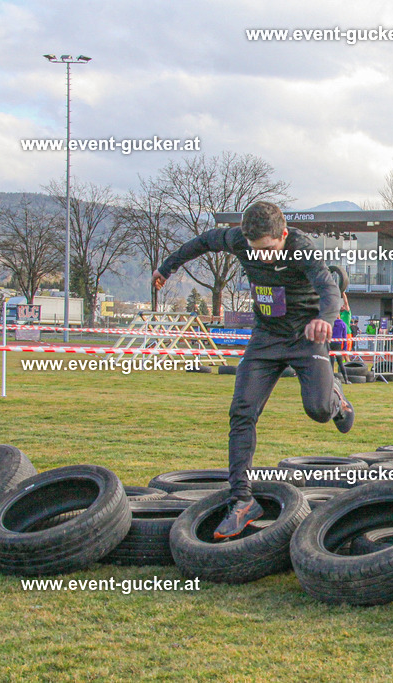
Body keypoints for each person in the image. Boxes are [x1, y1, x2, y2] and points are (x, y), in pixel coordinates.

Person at [152, 201, 354, 540]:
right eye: (256, 251)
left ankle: (337, 400)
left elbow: (328, 287)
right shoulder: (237, 240)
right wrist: (166, 268)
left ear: (284, 236)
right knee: (241, 412)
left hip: (305, 335)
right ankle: (242, 500)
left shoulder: (302, 249)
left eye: (270, 250)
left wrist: (326, 319)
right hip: (265, 338)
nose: (263, 258)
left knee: (318, 411)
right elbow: (201, 242)